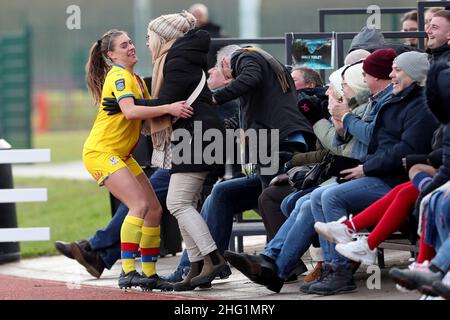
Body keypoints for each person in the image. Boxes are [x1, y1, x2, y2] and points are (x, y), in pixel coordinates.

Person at [83, 29, 192, 291]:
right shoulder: (119, 75)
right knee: (139, 205)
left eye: (131, 42)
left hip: (121, 154)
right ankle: (128, 271)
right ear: (111, 55)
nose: (131, 47)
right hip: (102, 153)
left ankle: (150, 273)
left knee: (154, 209)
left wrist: (161, 108)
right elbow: (131, 111)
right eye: (124, 45)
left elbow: (139, 110)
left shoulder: (134, 79)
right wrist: (169, 107)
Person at [213, 45, 315, 188]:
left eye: (228, 76)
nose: (230, 80)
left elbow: (249, 78)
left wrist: (215, 99)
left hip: (275, 138)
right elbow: (253, 106)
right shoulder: (264, 62)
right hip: (287, 135)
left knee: (271, 194)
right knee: (277, 193)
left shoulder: (244, 56)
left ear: (224, 62)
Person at [189, 3, 225, 69]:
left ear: (206, 16)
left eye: (200, 15)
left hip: (210, 69)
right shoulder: (185, 34)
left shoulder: (216, 33)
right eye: (194, 16)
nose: (197, 19)